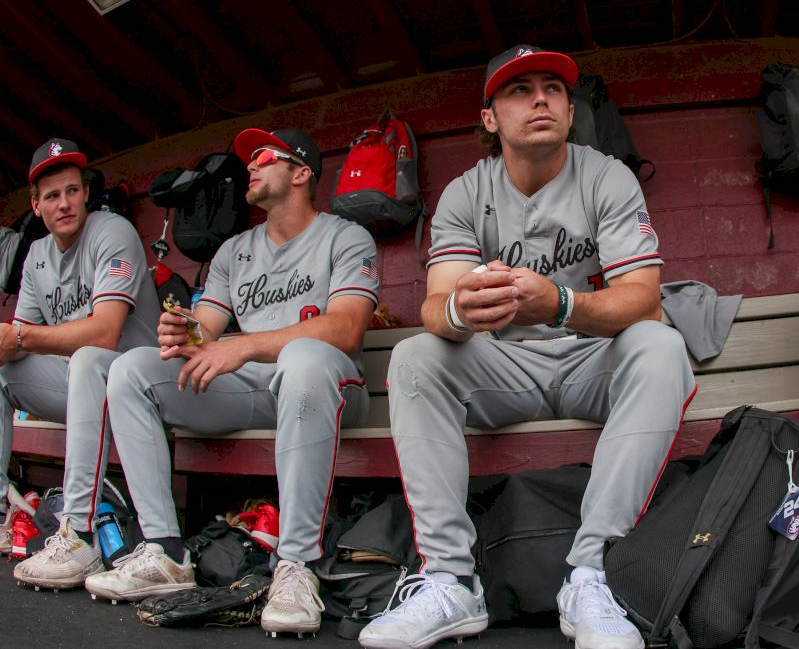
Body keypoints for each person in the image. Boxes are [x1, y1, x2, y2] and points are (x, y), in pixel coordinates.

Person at [359, 45, 695, 649]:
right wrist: (462, 311)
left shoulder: (605, 175)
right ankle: (450, 581)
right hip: (505, 368)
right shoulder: (467, 192)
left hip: (590, 358)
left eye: (553, 88)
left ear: (570, 110)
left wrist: (562, 304)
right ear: (489, 119)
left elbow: (643, 298)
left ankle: (593, 576)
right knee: (414, 356)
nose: (540, 98)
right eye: (519, 90)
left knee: (661, 346)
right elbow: (435, 306)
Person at [84, 128, 380, 639]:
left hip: (328, 393)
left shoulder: (344, 236)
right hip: (252, 391)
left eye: (264, 157)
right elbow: (208, 332)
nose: (252, 165)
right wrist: (184, 332)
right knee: (131, 369)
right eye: (250, 159)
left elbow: (347, 329)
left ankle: (295, 565)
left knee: (306, 357)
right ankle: (165, 551)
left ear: (302, 172)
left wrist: (245, 344)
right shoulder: (234, 251)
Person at [2, 139, 158, 581]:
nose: (65, 203)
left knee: (90, 356)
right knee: (2, 370)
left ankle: (78, 533)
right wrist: (10, 340)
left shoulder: (111, 231)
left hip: (134, 382)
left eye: (72, 191)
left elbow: (106, 331)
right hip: (77, 382)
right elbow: (20, 343)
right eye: (52, 196)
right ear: (36, 206)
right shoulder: (36, 256)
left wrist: (19, 335)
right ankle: (0, 510)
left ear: (86, 193)